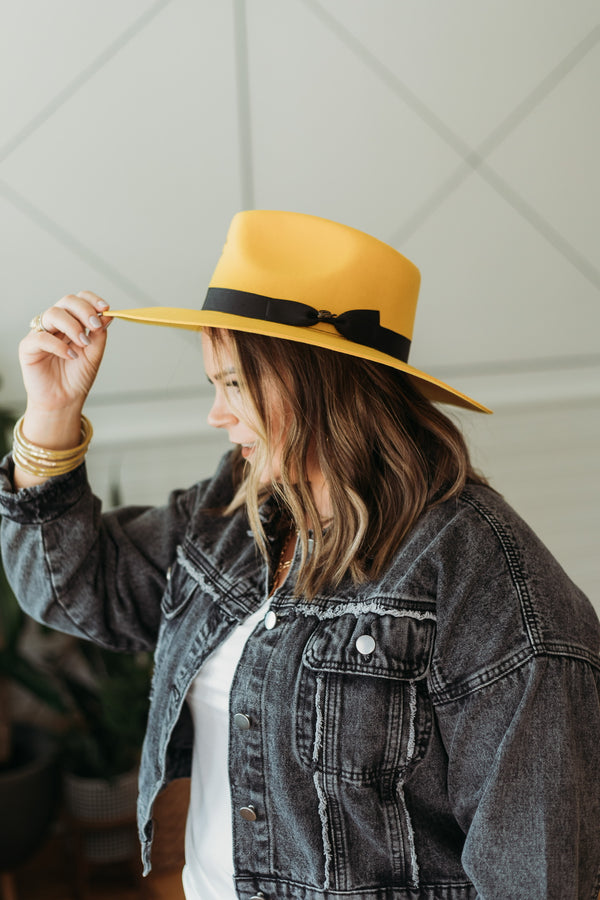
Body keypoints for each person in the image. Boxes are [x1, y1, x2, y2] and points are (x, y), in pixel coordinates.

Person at [1, 210, 599, 900]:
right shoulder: (234, 510)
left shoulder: (488, 577)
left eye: (233, 384)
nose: (216, 415)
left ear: (319, 381)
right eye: (213, 386)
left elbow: (539, 870)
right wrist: (50, 416)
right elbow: (74, 589)